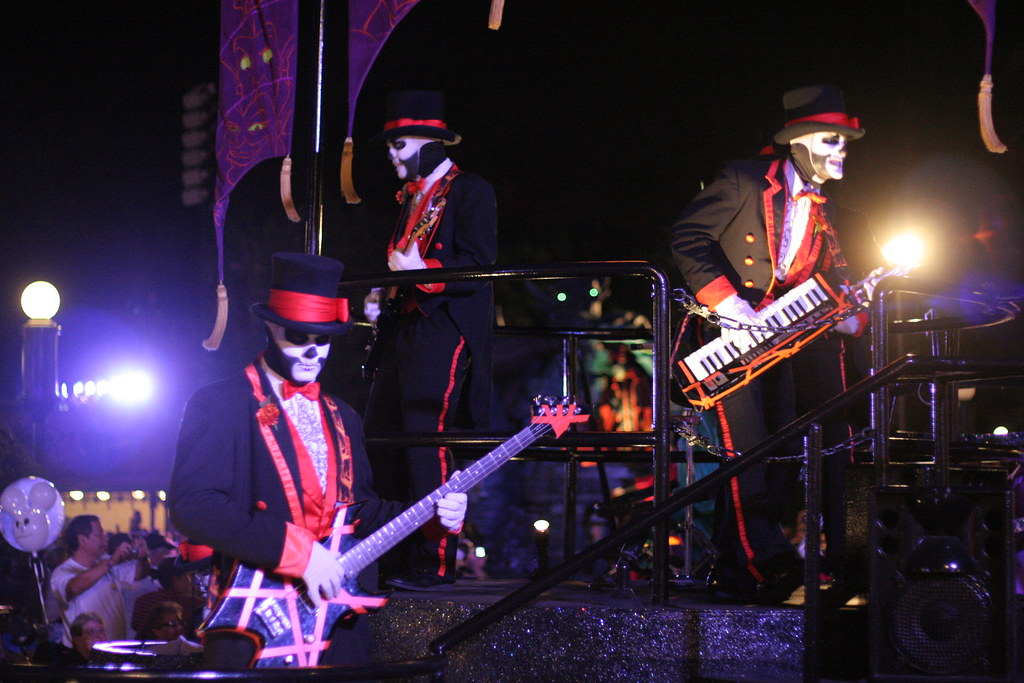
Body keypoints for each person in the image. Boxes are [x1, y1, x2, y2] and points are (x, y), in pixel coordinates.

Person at [170, 252, 467, 669]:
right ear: (271, 327)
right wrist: (299, 553)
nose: (313, 352)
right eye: (298, 336)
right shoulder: (217, 403)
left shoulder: (343, 415)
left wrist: (433, 519)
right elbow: (193, 505)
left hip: (339, 627)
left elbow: (360, 513)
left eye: (323, 339)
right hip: (255, 626)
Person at [669, 85, 867, 605]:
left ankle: (751, 565)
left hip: (782, 343)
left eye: (846, 143)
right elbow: (689, 237)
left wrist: (851, 312)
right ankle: (758, 565)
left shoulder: (827, 210)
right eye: (833, 140)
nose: (842, 152)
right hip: (730, 334)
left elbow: (824, 276)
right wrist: (731, 308)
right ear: (800, 141)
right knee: (748, 451)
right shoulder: (743, 179)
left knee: (779, 448)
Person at [362, 90, 497, 590]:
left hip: (443, 328)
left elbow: (482, 265)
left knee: (427, 441)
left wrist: (424, 273)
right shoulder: (414, 194)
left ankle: (434, 560)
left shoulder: (471, 190)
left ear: (427, 140)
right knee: (382, 436)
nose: (392, 154)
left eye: (398, 143)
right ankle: (392, 552)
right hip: (405, 328)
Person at [50, 515, 150, 645]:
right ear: (82, 540)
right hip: (84, 655)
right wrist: (111, 561)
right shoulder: (64, 571)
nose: (105, 538)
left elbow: (139, 573)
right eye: (99, 534)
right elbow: (74, 587)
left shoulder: (106, 564)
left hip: (114, 651)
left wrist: (143, 556)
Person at [131, 557, 204, 641]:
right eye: (187, 575)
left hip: (142, 650)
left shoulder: (142, 600)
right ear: (176, 579)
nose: (190, 580)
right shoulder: (192, 605)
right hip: (174, 651)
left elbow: (135, 626)